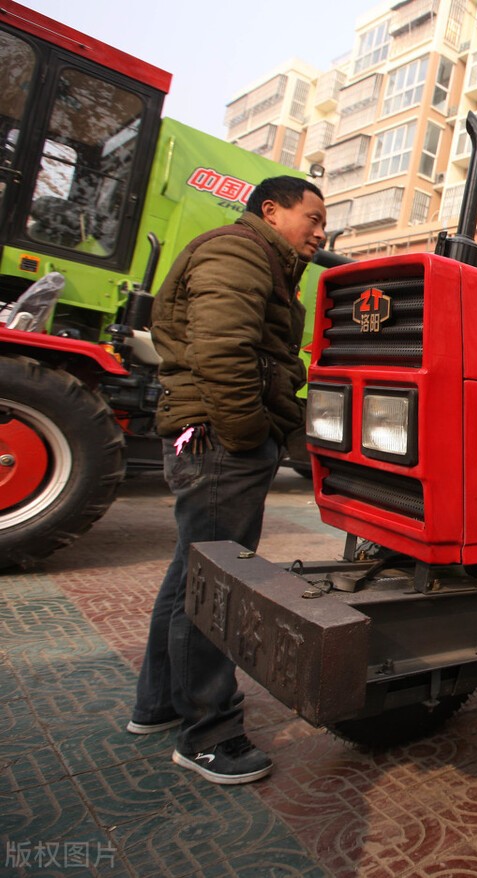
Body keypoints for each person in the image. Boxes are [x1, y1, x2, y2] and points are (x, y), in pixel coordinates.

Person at [128, 176, 326, 785]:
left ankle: (159, 705)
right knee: (216, 587)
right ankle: (208, 735)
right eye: (312, 217)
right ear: (270, 210)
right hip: (219, 440)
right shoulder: (238, 252)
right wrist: (247, 434)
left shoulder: (261, 258)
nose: (321, 232)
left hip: (212, 436)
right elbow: (222, 350)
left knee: (190, 576)